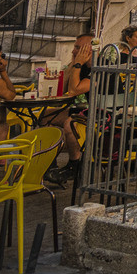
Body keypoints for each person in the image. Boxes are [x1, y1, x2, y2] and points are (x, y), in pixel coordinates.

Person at [43, 33, 94, 186]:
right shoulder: (82, 66)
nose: (73, 51)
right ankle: (50, 164)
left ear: (90, 50)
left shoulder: (100, 67)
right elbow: (63, 88)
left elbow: (73, 90)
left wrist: (77, 64)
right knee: (45, 117)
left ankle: (74, 165)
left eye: (78, 48)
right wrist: (74, 64)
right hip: (85, 110)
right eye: (74, 47)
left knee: (69, 124)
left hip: (102, 115)